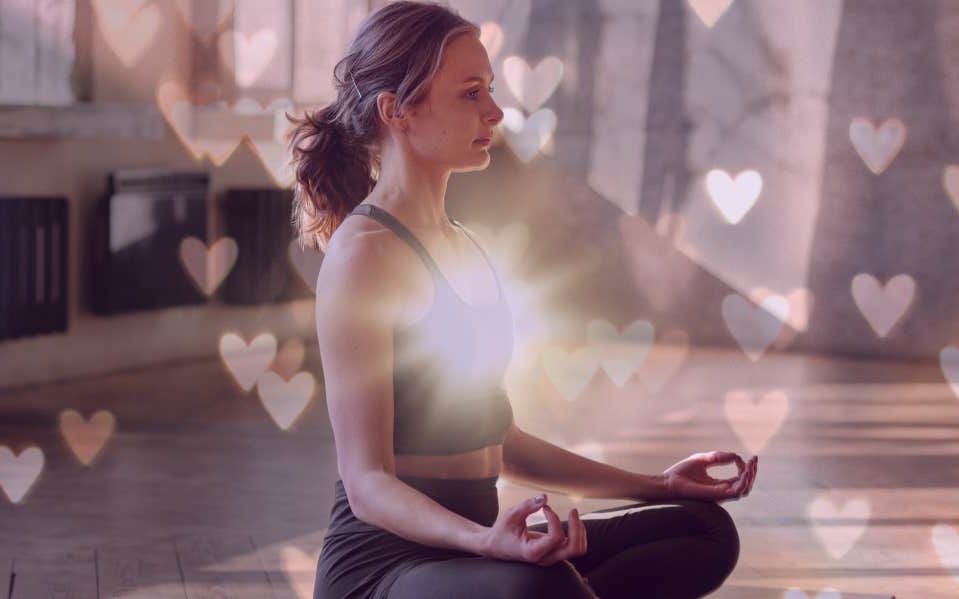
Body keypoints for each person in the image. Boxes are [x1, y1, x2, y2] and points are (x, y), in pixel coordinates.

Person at [285, 2, 758, 597]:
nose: (495, 110)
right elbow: (367, 482)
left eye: (489, 88)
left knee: (704, 530)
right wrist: (486, 543)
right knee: (541, 589)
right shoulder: (364, 255)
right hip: (386, 566)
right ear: (397, 110)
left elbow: (498, 441)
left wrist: (660, 484)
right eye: (470, 93)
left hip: (475, 548)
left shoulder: (466, 246)